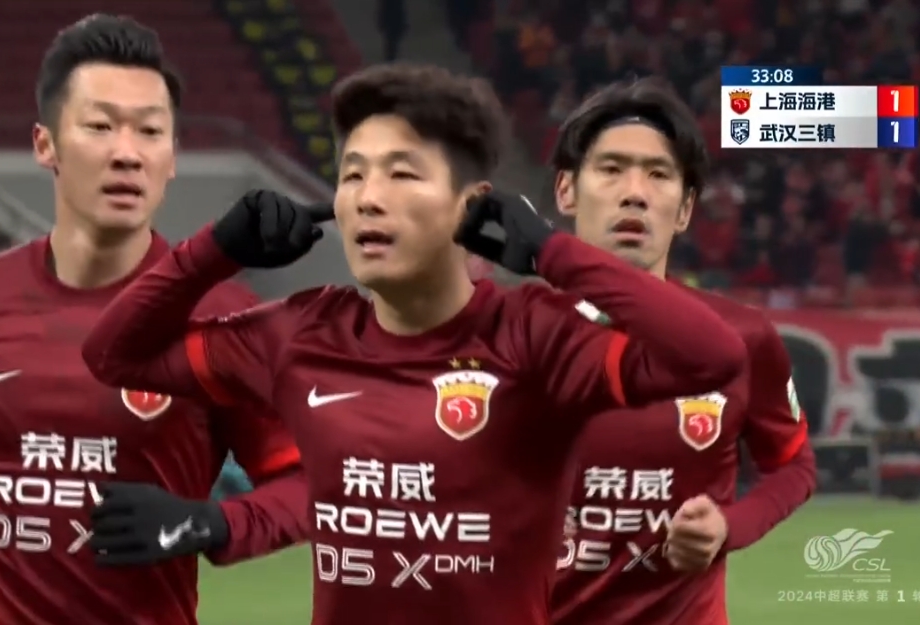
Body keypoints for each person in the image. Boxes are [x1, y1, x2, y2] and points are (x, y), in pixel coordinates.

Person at [81, 62, 748, 624]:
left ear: (471, 205)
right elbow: (113, 354)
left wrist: (554, 253)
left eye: (402, 174)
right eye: (353, 175)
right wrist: (214, 251)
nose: (369, 198)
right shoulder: (298, 333)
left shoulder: (534, 336)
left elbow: (709, 356)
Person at [0, 14, 308, 625]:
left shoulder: (223, 320)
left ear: (172, 157)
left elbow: (312, 485)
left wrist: (210, 522)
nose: (127, 153)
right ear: (45, 144)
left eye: (151, 131)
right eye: (100, 126)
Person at [548, 78, 817, 625]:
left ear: (686, 208)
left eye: (658, 174)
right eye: (611, 169)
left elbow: (794, 465)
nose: (635, 192)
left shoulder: (743, 336)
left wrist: (728, 527)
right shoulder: (507, 334)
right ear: (567, 191)